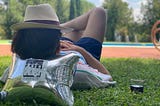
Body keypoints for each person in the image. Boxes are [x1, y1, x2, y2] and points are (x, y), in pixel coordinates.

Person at [1, 3, 115, 106]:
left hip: (57, 45)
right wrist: (82, 51)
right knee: (99, 12)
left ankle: (59, 29)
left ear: (20, 40)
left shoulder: (17, 69)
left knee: (77, 30)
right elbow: (107, 77)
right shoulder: (75, 71)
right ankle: (60, 28)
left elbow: (6, 78)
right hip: (78, 51)